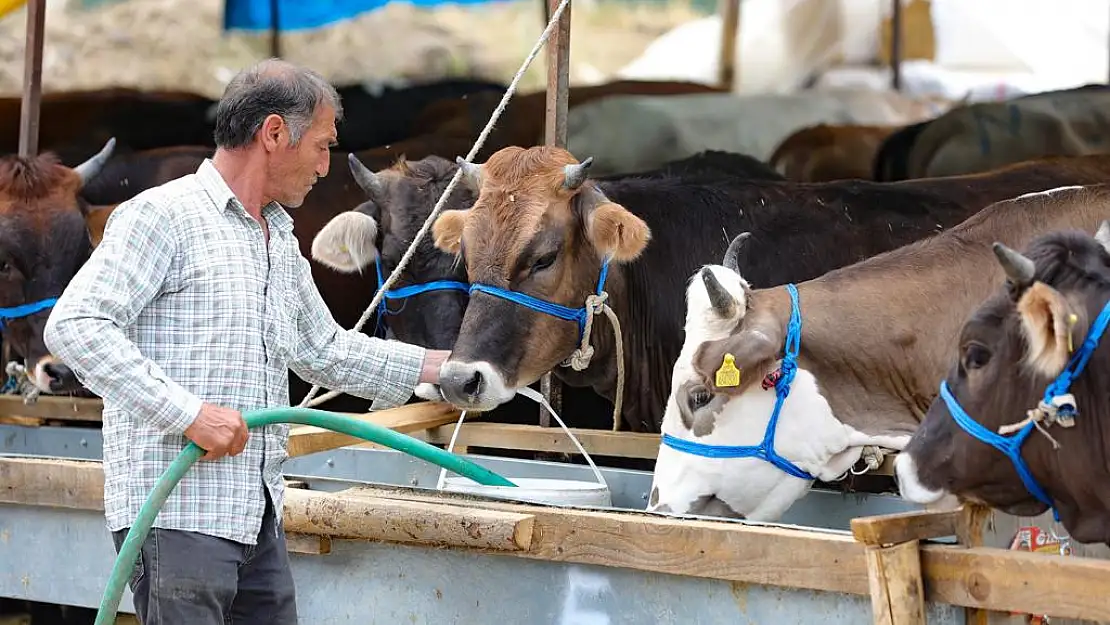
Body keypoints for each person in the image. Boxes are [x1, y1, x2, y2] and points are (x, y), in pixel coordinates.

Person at [43, 59, 450, 624]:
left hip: (255, 516)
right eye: (323, 146)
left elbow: (324, 348)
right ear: (275, 134)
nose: (325, 166)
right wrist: (188, 415)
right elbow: (75, 326)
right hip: (178, 514)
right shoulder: (163, 216)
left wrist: (439, 368)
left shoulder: (276, 236)